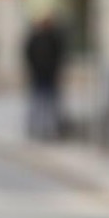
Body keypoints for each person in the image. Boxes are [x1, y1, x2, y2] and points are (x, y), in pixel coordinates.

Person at [24, 11, 66, 140]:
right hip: (38, 74)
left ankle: (51, 128)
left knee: (50, 103)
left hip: (50, 75)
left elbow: (59, 56)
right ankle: (35, 126)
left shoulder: (54, 38)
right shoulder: (35, 38)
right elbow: (28, 54)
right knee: (38, 102)